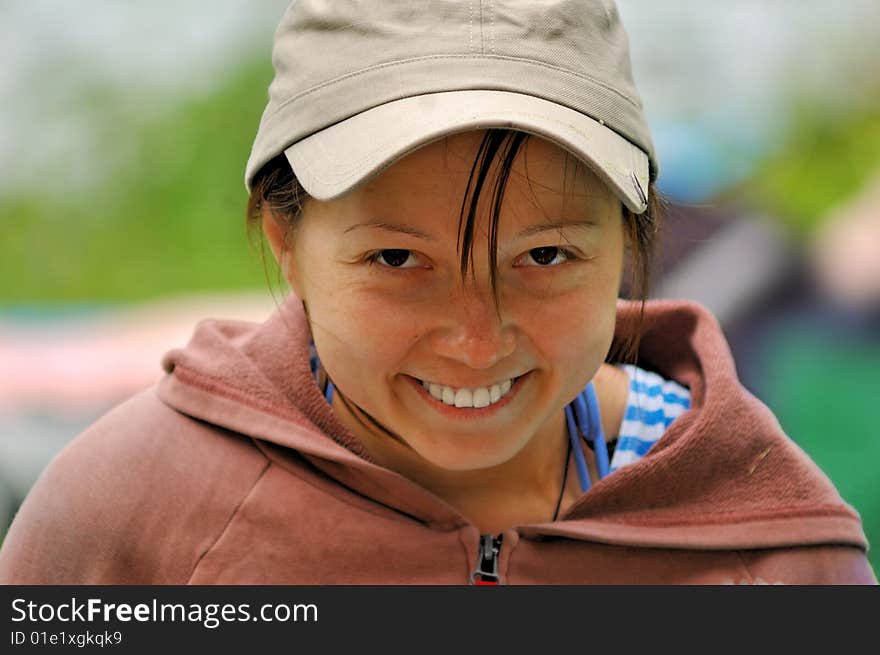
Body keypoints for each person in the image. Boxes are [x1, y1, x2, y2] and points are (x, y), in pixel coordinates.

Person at [0, 0, 874, 585]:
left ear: (633, 238)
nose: (475, 338)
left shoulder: (771, 544)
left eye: (543, 256)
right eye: (395, 260)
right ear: (285, 243)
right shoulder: (129, 517)